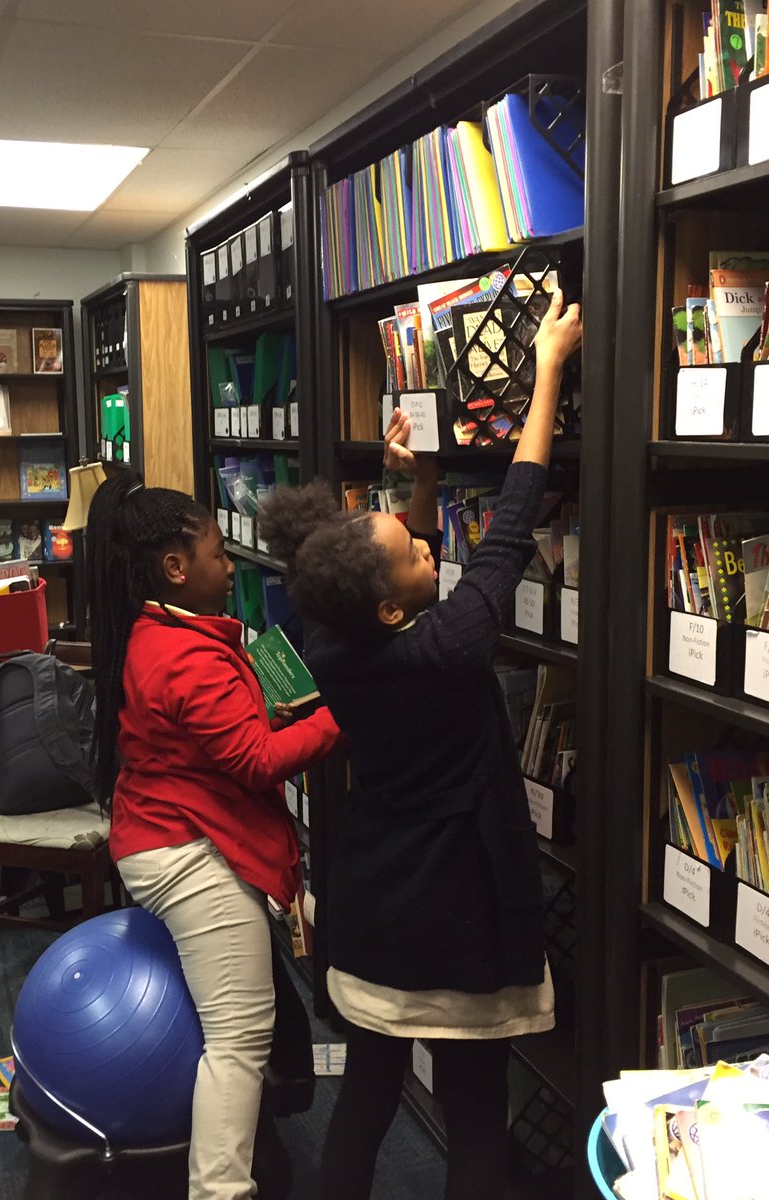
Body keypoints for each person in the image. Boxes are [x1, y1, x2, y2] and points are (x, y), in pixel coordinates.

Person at [258, 289, 583, 1200]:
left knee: (364, 1098)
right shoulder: (447, 648)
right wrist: (549, 368)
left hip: (371, 909)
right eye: (414, 550)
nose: (432, 549)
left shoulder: (332, 636)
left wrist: (424, 486)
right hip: (456, 921)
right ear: (398, 605)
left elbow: (393, 570)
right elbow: (512, 522)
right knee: (478, 1114)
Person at [85, 476, 343, 1200]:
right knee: (236, 1041)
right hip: (186, 849)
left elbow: (229, 734)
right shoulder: (186, 656)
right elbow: (256, 758)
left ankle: (273, 1114)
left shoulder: (161, 631)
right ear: (175, 567)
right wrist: (343, 714)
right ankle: (220, 1190)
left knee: (251, 1019)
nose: (229, 566)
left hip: (161, 831)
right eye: (215, 553)